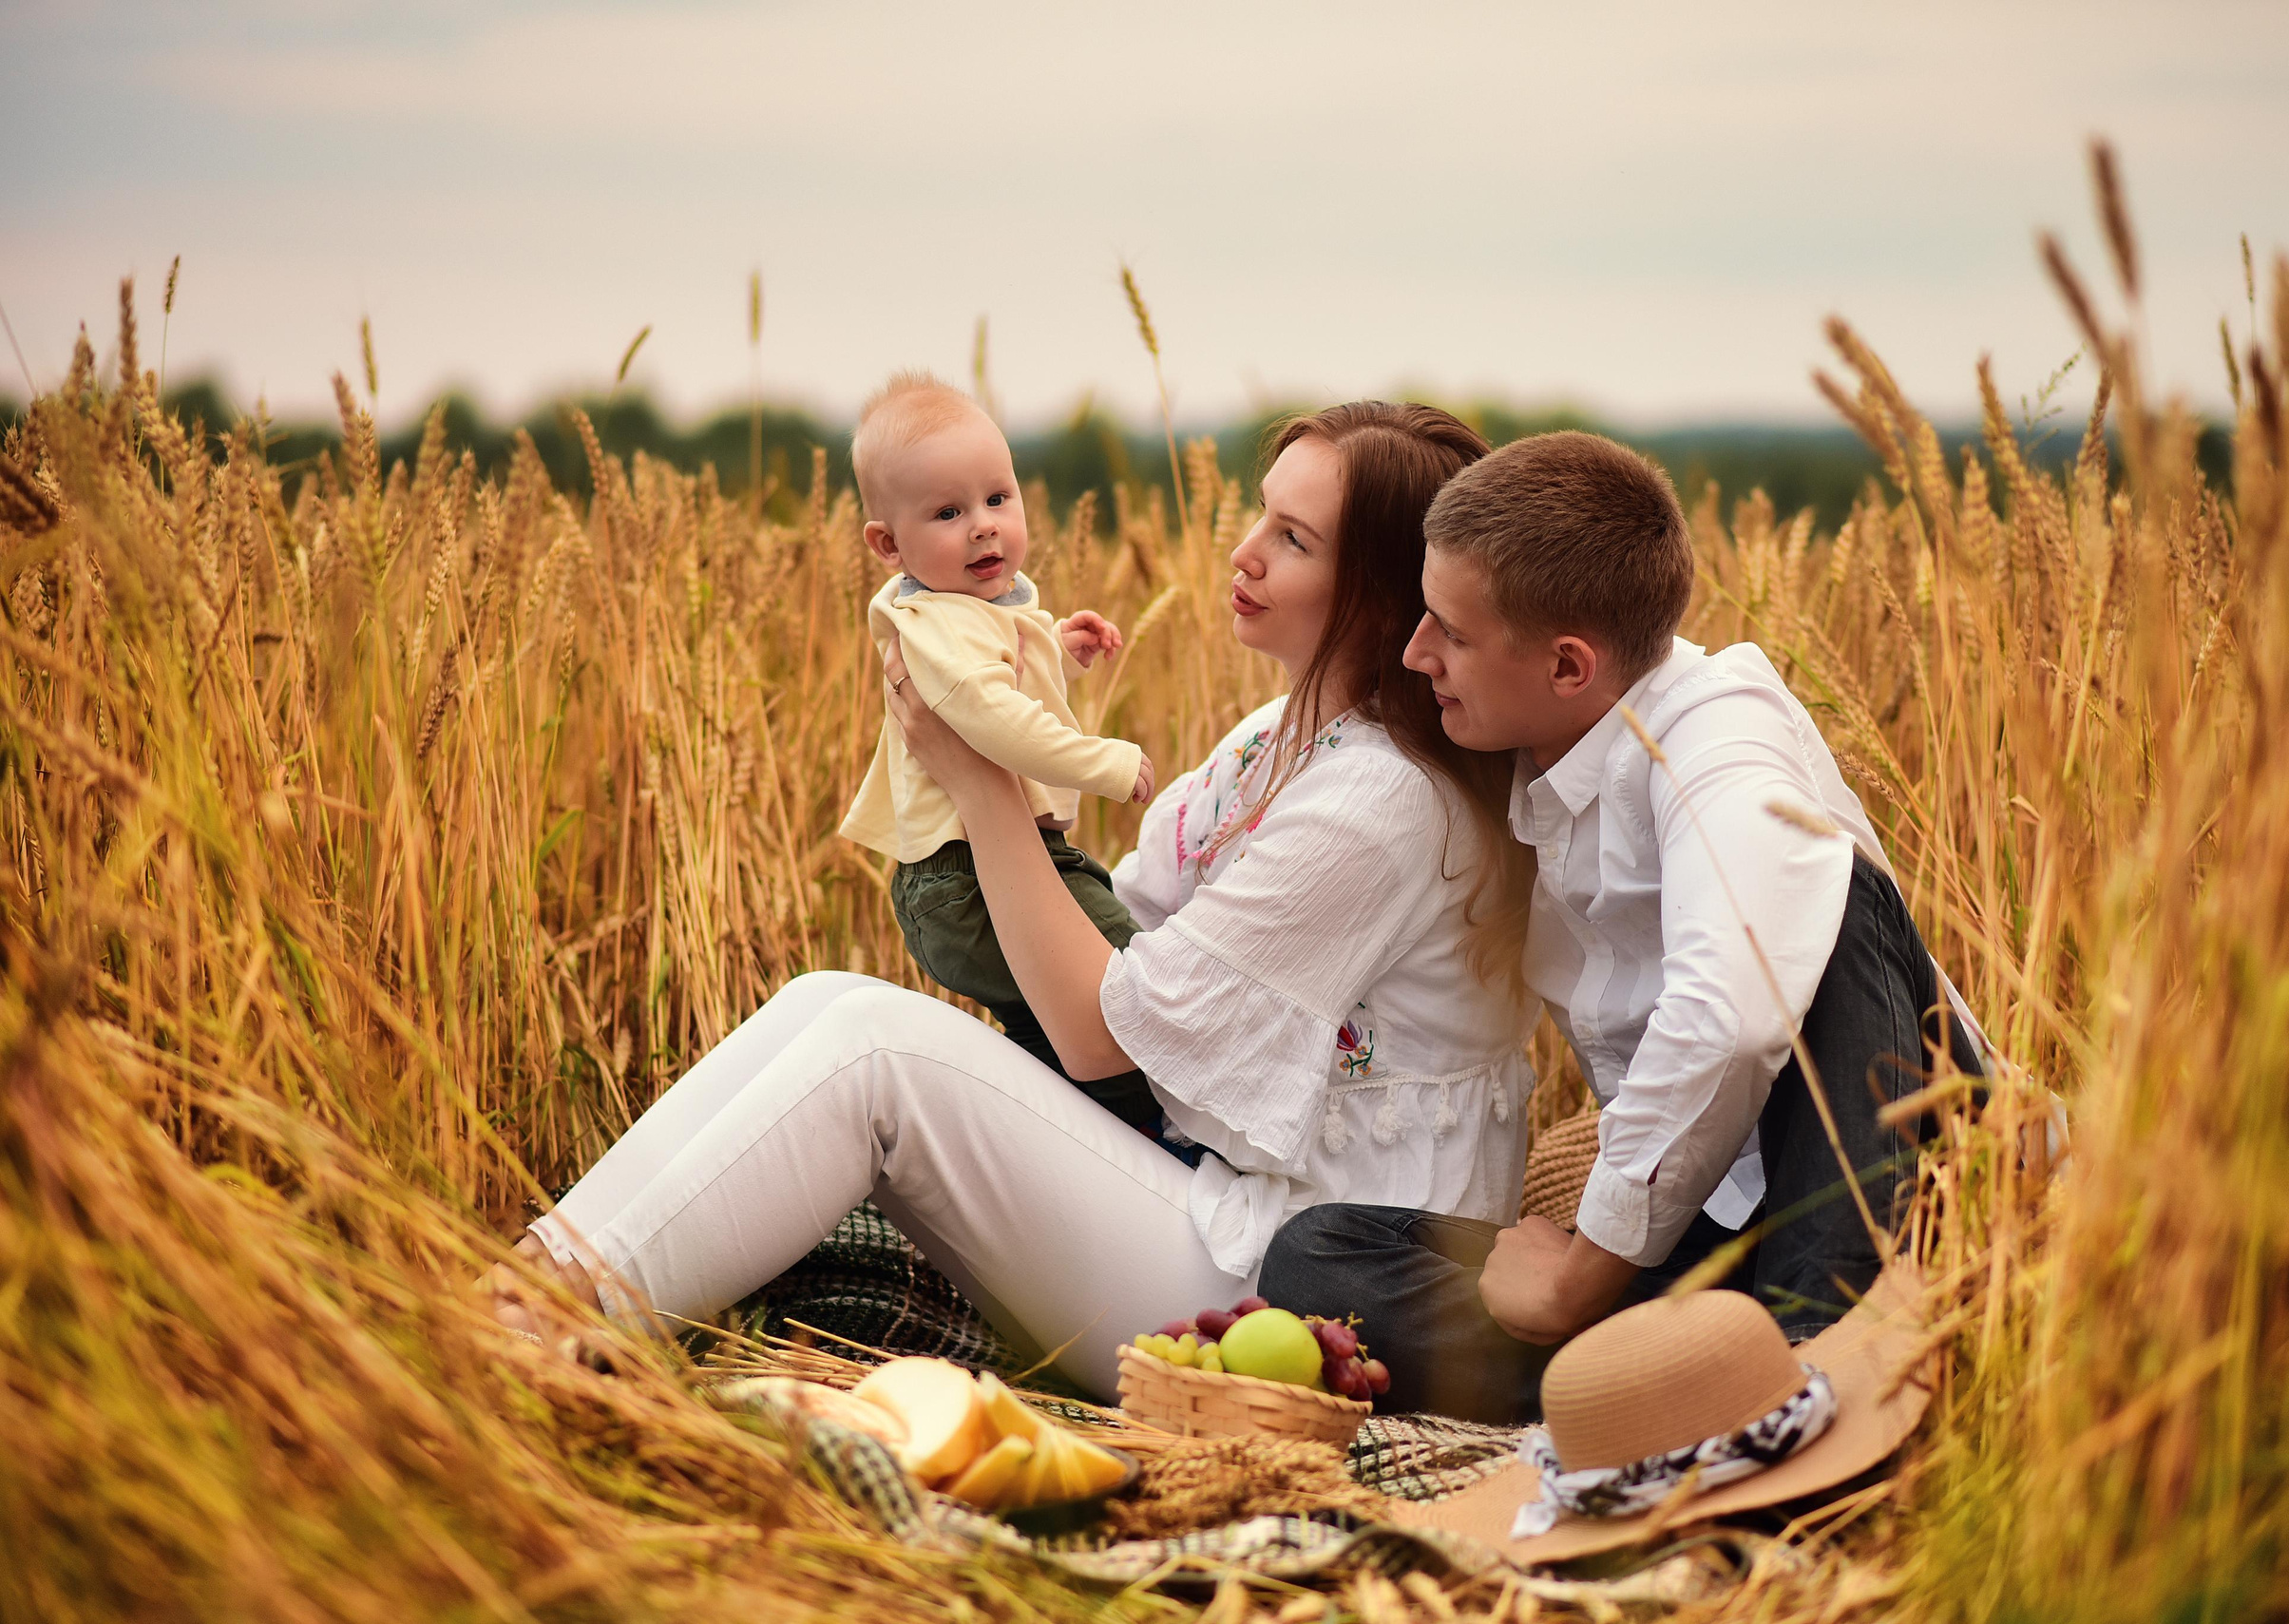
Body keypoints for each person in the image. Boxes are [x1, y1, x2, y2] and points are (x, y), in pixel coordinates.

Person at [491, 403, 1538, 1401]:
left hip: (1303, 1277)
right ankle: (526, 1289)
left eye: (1294, 537)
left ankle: (522, 1334)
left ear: (1384, 590)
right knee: (826, 995)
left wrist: (979, 771)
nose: (1243, 551)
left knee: (874, 1050)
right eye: (1259, 511)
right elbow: (1117, 937)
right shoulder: (1281, 733)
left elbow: (1096, 1032)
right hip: (1218, 1187)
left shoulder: (1382, 798)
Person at [1258, 431, 1983, 1423]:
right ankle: (1701, 1388)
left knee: (1826, 903)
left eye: (1449, 632)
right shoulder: (1527, 751)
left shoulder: (1720, 735)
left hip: (1882, 1194)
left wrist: (1574, 1279)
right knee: (1314, 1255)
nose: (1415, 651)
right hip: (1711, 1242)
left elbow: (1729, 1014)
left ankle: (1824, 1369)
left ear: (1567, 664)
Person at [837, 371, 1163, 1137]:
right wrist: (1103, 762)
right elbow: (995, 722)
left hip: (988, 867)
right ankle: (1135, 1141)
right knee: (1134, 986)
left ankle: (1062, 1137)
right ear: (888, 544)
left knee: (1053, 1034)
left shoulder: (976, 609)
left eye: (998, 498)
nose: (983, 526)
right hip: (963, 881)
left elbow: (1007, 691)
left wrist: (1058, 653)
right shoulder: (938, 624)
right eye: (948, 511)